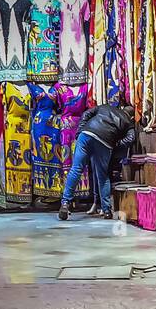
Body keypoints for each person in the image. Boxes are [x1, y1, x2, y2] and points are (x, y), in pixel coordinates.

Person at [58, 93, 135, 221]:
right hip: (104, 142)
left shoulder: (105, 107)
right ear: (132, 117)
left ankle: (65, 203)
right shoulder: (128, 122)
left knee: (76, 169)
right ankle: (106, 211)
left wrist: (80, 130)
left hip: (86, 134)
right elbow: (130, 139)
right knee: (102, 176)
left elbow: (86, 114)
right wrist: (115, 144)